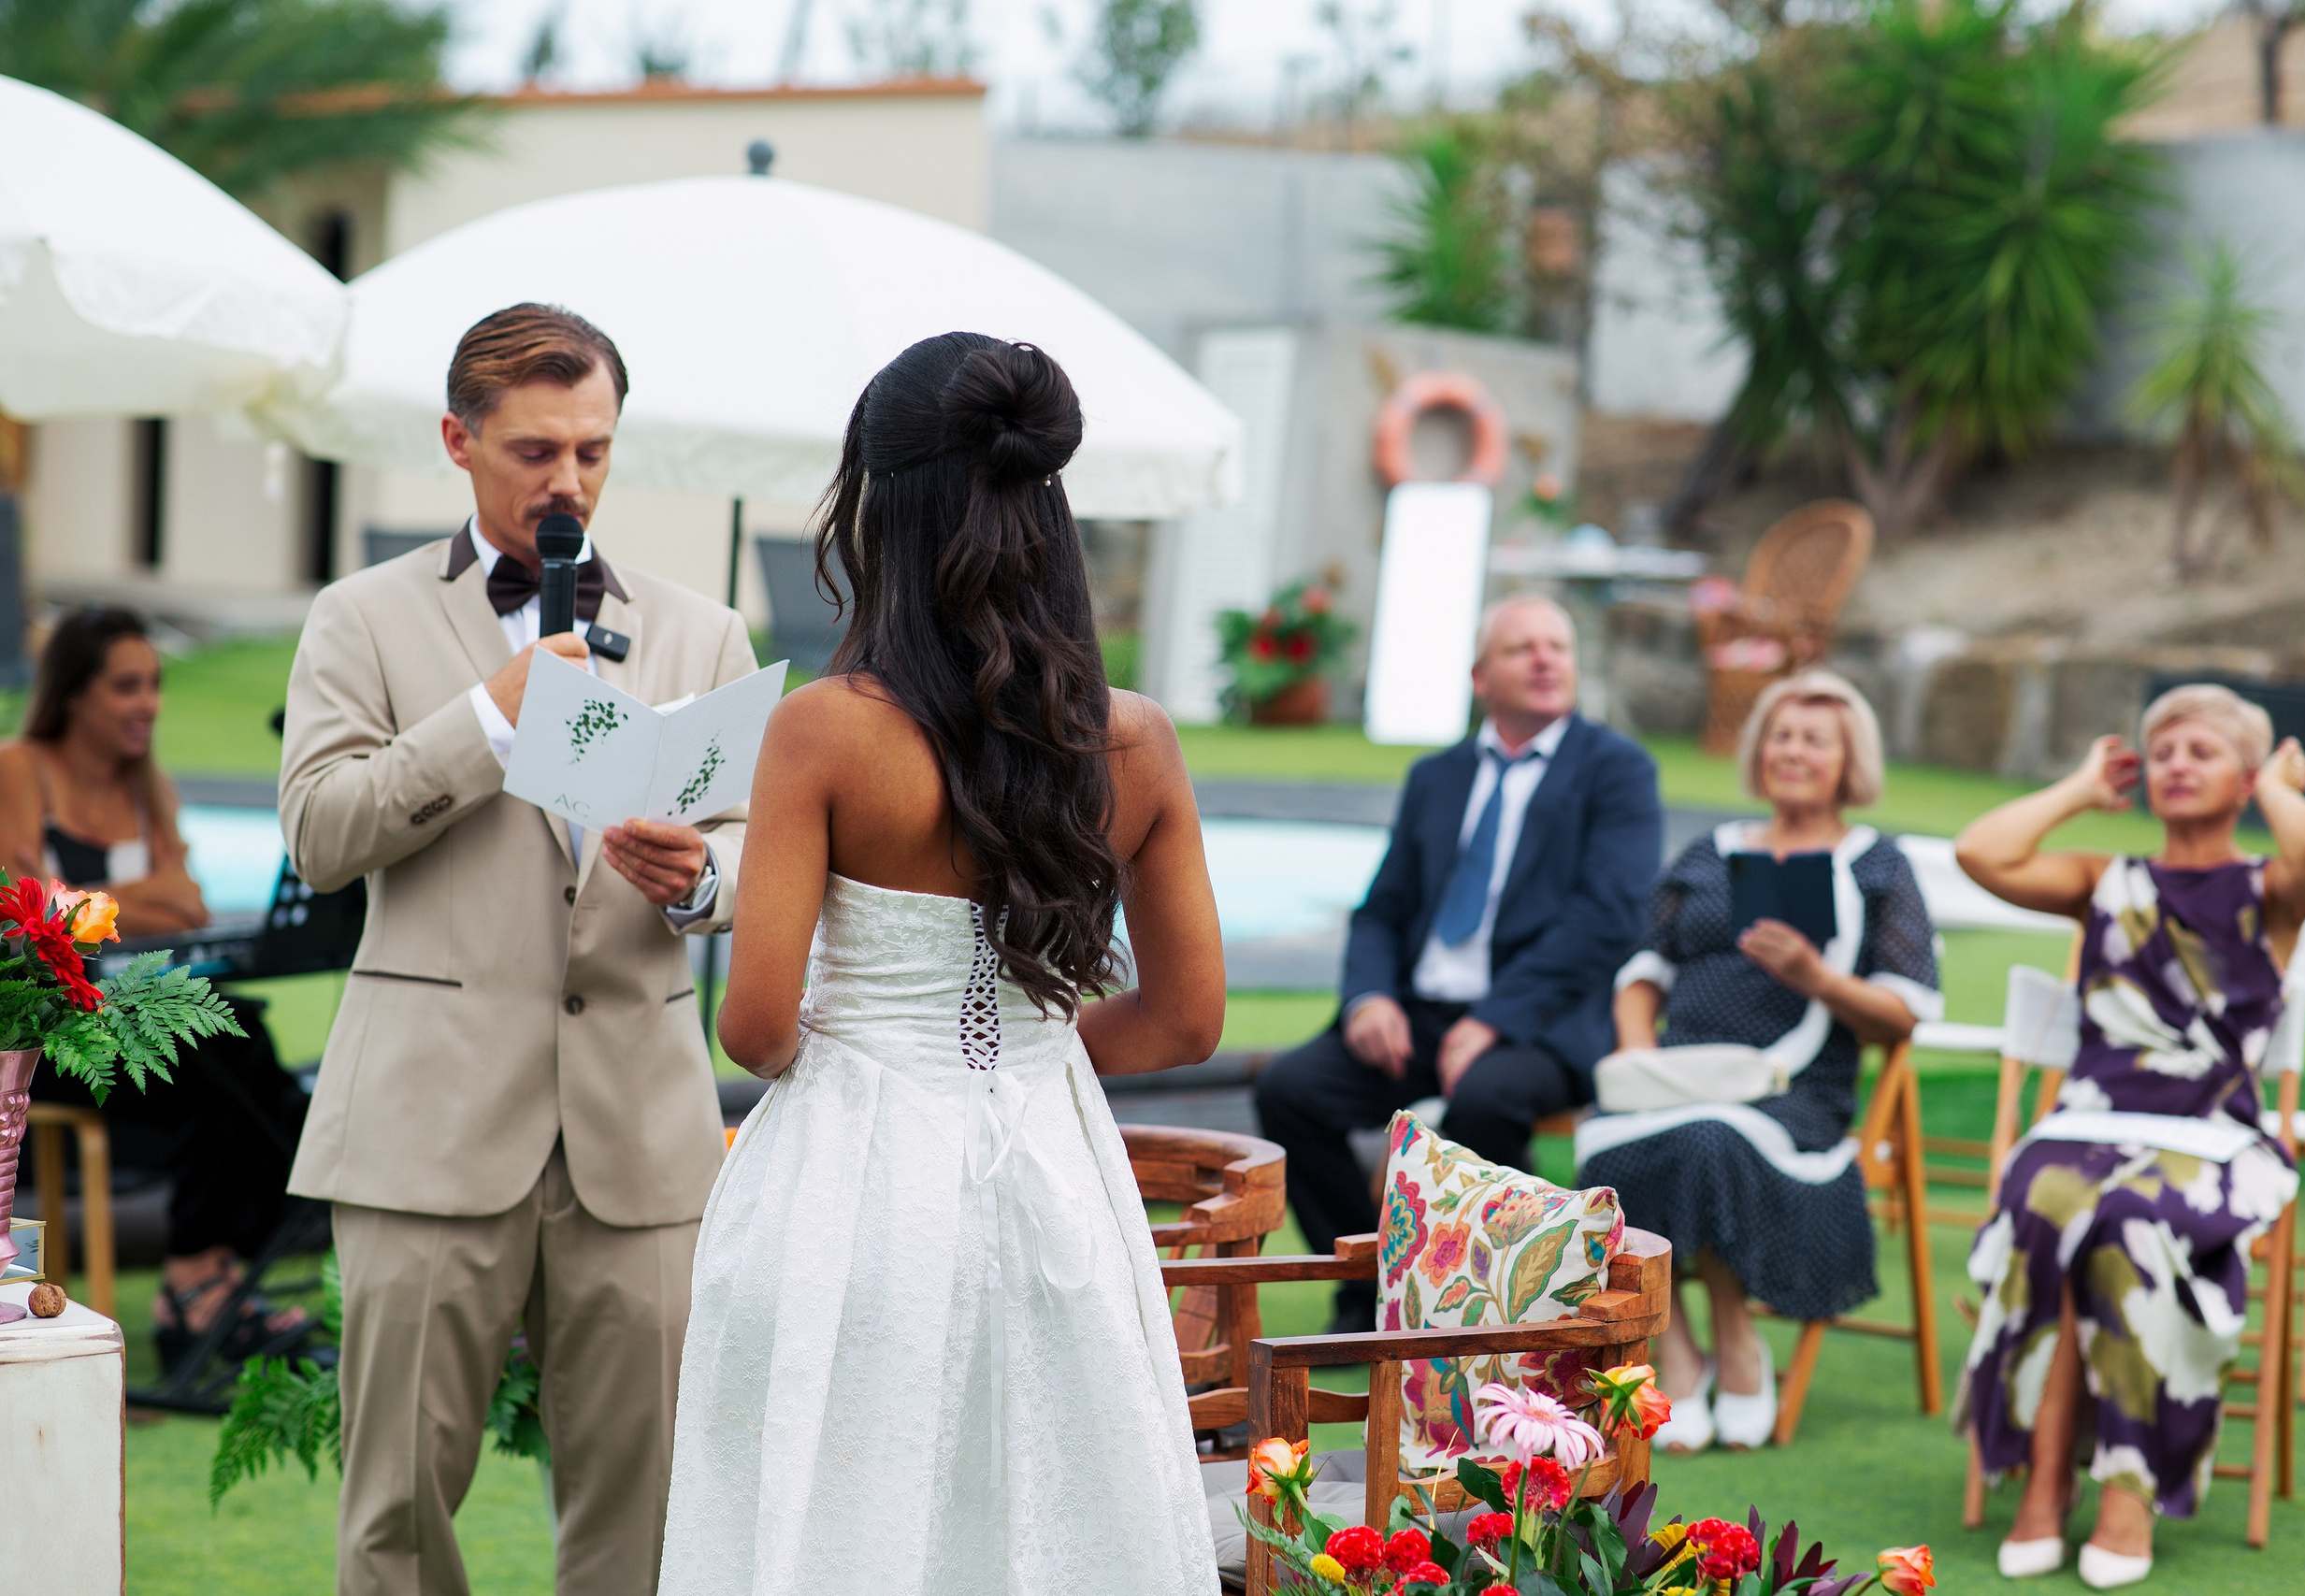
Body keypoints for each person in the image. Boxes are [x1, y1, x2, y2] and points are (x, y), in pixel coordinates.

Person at [658, 333, 1223, 1592]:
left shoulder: (823, 732)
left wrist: (867, 1040)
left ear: (880, 510)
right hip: (1056, 1168)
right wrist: (1035, 1053)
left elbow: (754, 1027)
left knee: (842, 1518)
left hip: (851, 1181)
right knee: (1043, 1513)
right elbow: (1188, 1018)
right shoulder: (1138, 741)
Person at [279, 304, 756, 1596]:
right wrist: (488, 718)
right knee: (395, 1512)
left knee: (648, 1516)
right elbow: (321, 832)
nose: (569, 482)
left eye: (594, 452)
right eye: (538, 451)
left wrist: (704, 873)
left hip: (640, 1140)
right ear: (457, 438)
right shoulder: (360, 616)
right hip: (425, 1125)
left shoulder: (701, 629)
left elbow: (759, 850)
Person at [1953, 685, 2305, 1590]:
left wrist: (2277, 789)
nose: (2175, 763)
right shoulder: (2105, 880)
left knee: (2129, 1214)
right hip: (2085, 1124)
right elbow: (1981, 851)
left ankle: (2117, 1493)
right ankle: (2047, 1484)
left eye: (2200, 751)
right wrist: (2080, 786)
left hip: (2210, 1138)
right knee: (2049, 1202)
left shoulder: (2269, 889)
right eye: (2160, 749)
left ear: (2243, 776)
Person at [1255, 593, 1663, 1334]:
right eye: (1521, 648)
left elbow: (1608, 917)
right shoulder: (1436, 777)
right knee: (1290, 1090)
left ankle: (1488, 1314)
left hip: (1537, 1023)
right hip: (1419, 1013)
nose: (1544, 659)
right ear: (1481, 676)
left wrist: (1492, 1020)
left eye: (1557, 646)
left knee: (1483, 1102)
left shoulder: (1616, 770)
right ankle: (1374, 1286)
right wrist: (1370, 998)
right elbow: (1381, 908)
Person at [1577, 670, 1939, 1452]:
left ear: (1850, 759)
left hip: (1793, 1088)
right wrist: (1639, 1051)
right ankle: (1678, 1348)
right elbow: (1643, 968)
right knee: (1626, 1133)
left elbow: (1905, 1012)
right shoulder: (1712, 850)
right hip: (1677, 1070)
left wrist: (1816, 976)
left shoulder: (1879, 864)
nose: (1793, 750)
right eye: (1780, 734)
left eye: (1815, 737)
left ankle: (1733, 1338)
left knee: (1707, 1139)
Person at [0, 606, 310, 1366]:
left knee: (244, 1047)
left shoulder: (150, 788)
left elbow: (190, 902)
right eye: (127, 686)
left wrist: (92, 904)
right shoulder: (19, 769)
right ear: (75, 692)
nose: (150, 703)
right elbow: (24, 908)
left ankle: (209, 1276)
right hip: (48, 1050)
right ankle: (199, 1285)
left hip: (127, 1030)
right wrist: (123, 900)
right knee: (228, 1062)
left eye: (156, 684)